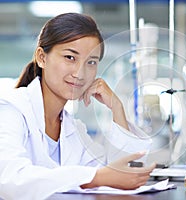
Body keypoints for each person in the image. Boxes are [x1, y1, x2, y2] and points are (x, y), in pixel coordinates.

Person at [0, 12, 156, 200]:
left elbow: (122, 175)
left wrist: (117, 107)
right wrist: (96, 177)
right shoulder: (10, 110)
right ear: (42, 57)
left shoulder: (73, 129)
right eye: (70, 58)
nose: (80, 73)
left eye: (91, 62)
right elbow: (9, 180)